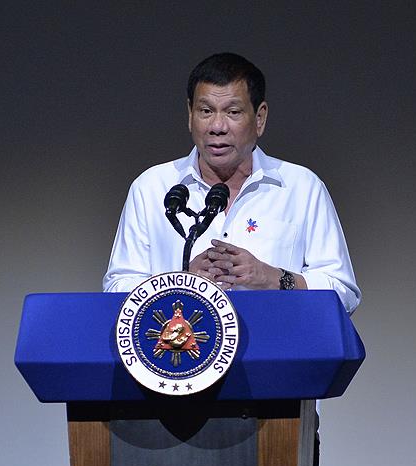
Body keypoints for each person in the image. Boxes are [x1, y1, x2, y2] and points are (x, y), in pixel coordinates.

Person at [103, 52, 360, 314]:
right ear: (190, 115)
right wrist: (180, 281)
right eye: (205, 111)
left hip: (275, 338)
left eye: (233, 112)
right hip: (180, 339)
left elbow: (344, 294)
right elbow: (115, 291)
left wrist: (272, 278)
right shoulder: (151, 188)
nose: (217, 126)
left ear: (259, 118)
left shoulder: (302, 188)